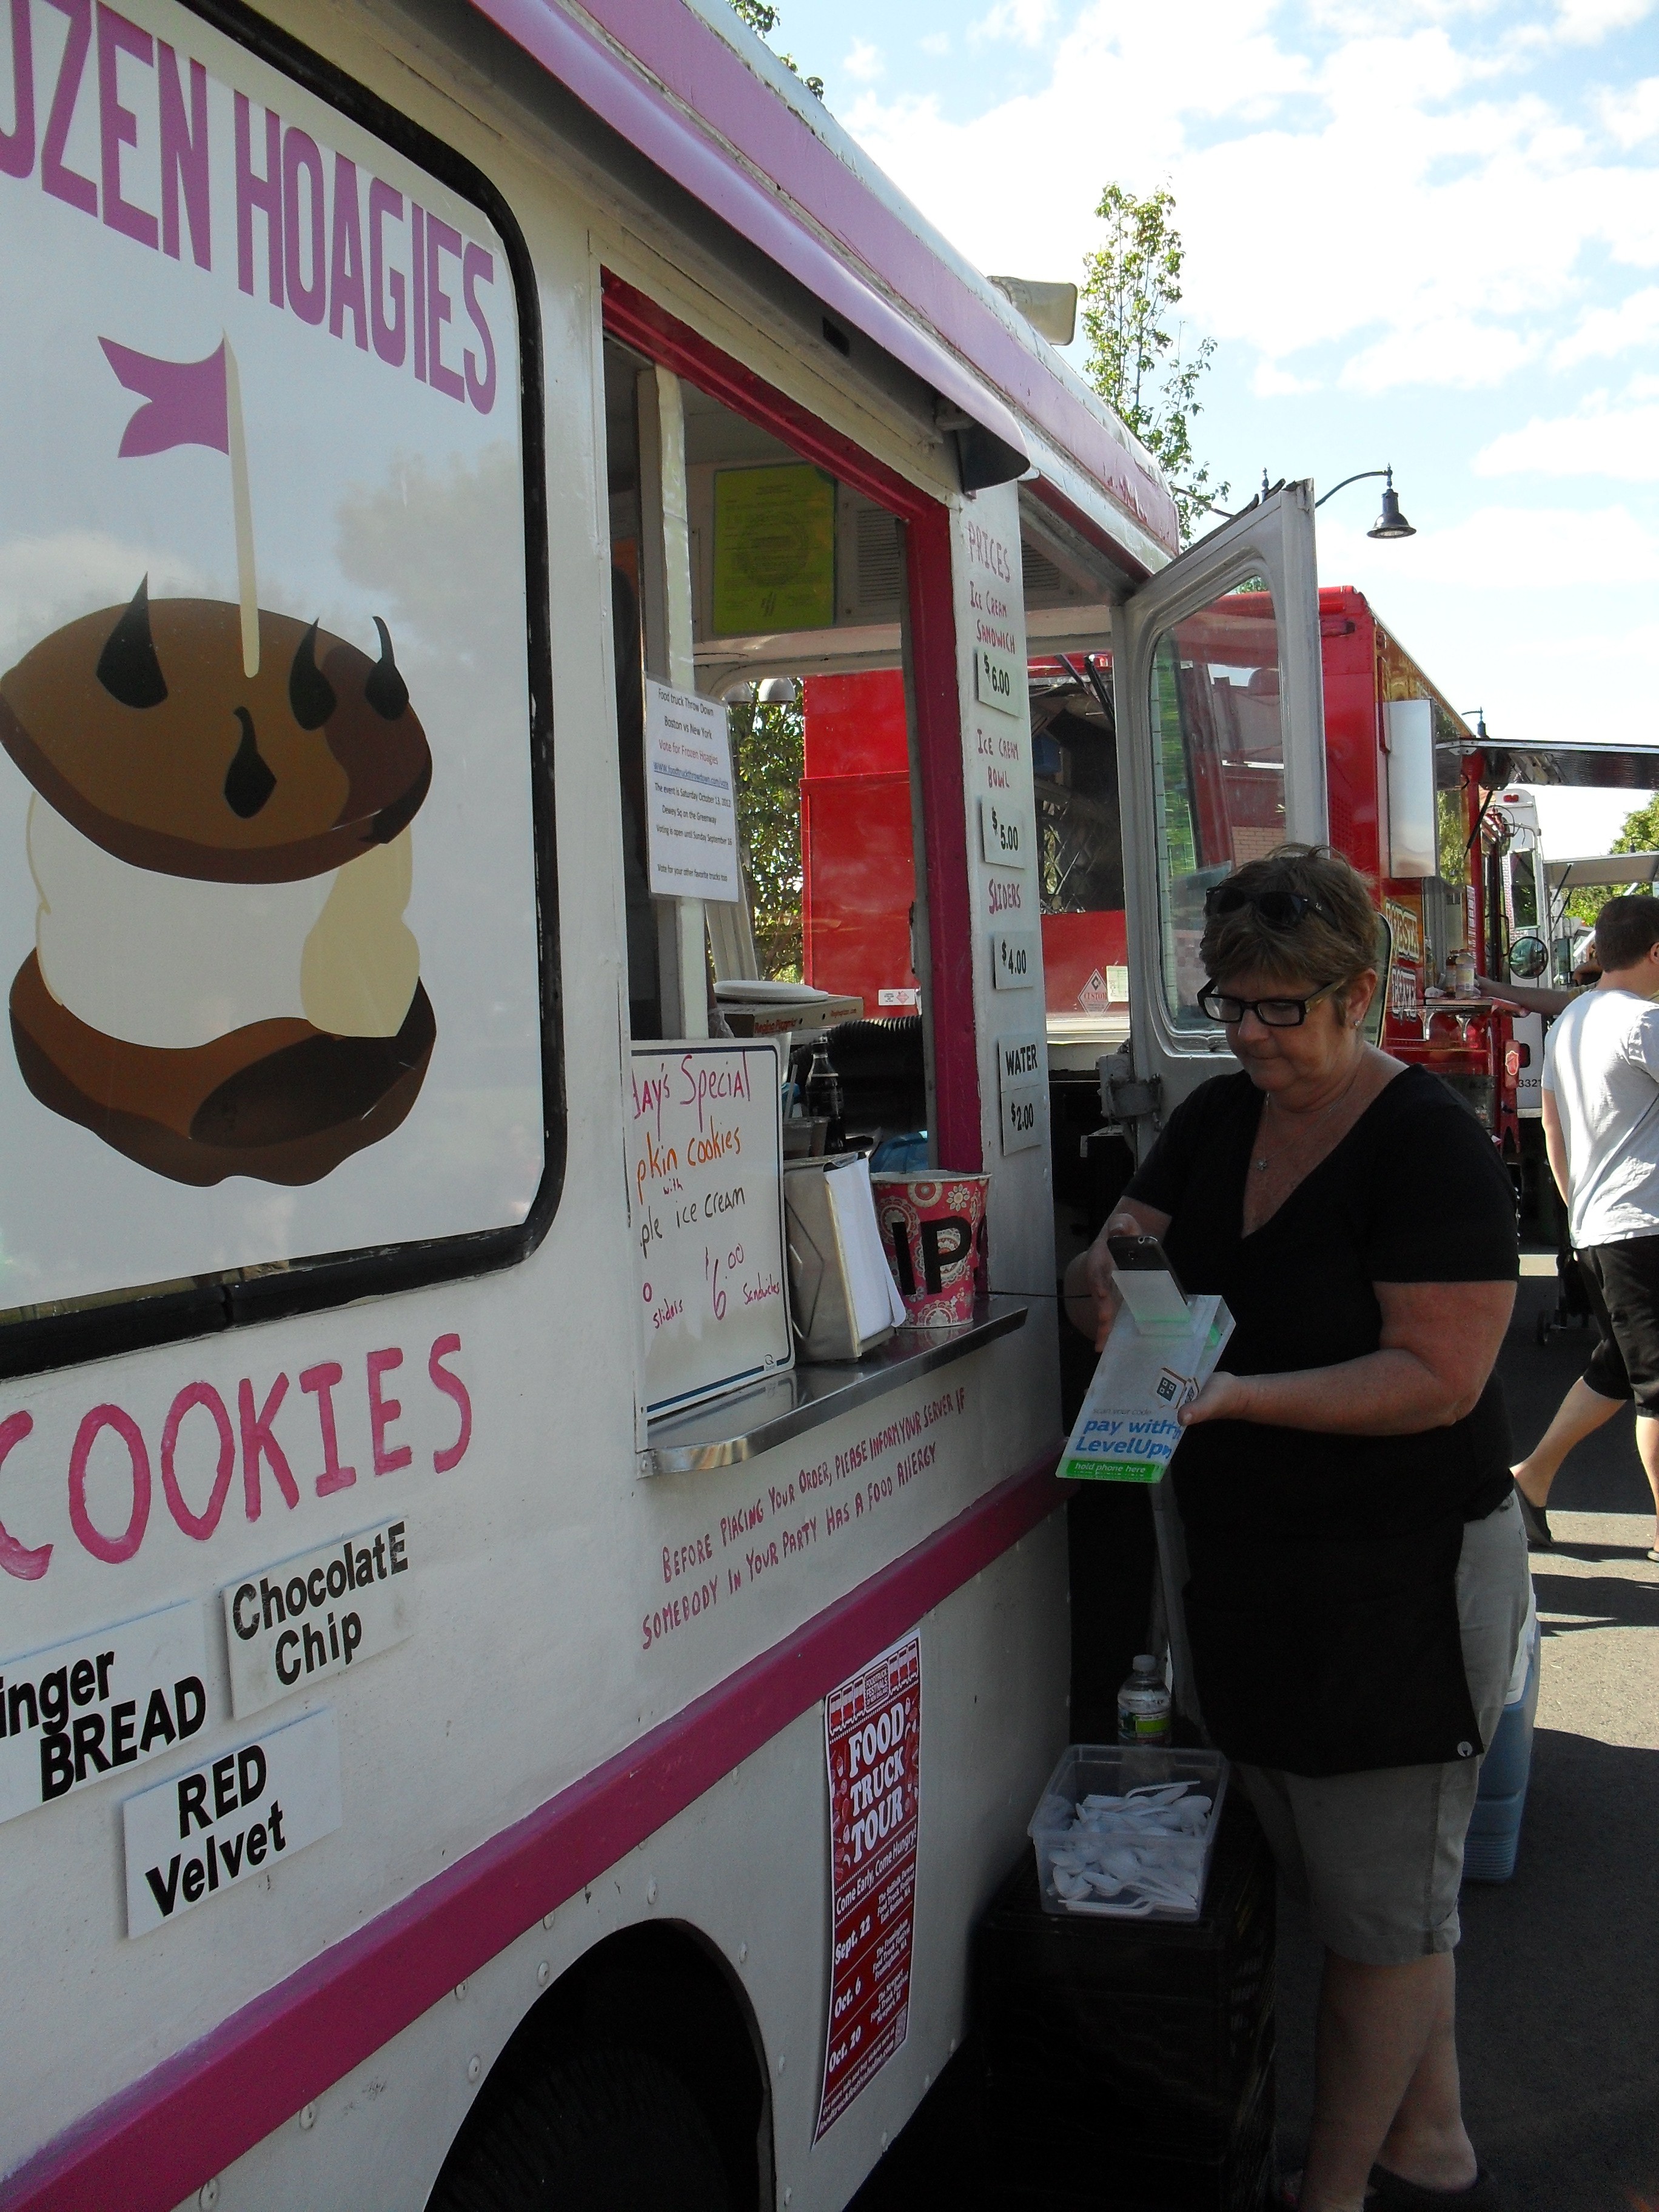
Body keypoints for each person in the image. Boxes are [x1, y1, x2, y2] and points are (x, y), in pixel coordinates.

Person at [1064, 845, 1527, 2212]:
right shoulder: (1219, 1116)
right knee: (1366, 1888)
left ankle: (1326, 2193)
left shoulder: (1429, 1142)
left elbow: (1438, 1378)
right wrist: (1109, 1277)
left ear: (1359, 994)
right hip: (1252, 1569)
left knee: (1382, 1910)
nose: (1254, 1036)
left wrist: (1238, 1396)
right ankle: (1428, 2138)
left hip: (1398, 1581)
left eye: (1284, 1009)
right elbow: (1131, 1237)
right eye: (1234, 1005)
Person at [1512, 898, 1659, 1555]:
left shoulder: (1571, 1020)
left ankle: (1529, 1480)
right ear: (1655, 952)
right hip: (1644, 1224)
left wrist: (1577, 1208)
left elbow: (1552, 1125)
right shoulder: (1645, 1022)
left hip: (1600, 1225)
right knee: (1655, 1385)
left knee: (1620, 1369)